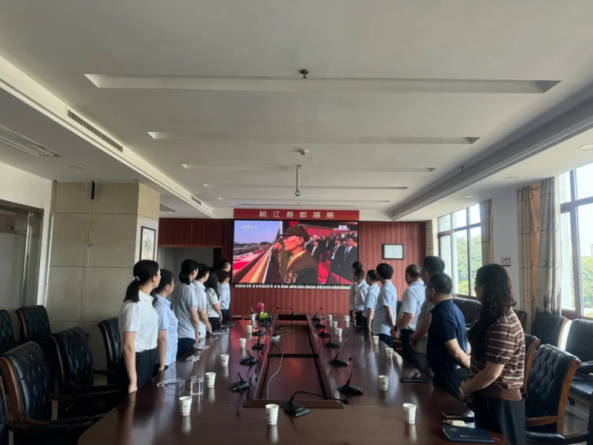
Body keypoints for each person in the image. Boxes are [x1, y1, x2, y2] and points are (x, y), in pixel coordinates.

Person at [460, 265, 526, 445]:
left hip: (499, 402)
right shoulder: (491, 314)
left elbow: (491, 373)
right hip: (486, 396)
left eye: (476, 284)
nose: (474, 288)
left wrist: (464, 389)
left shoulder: (503, 323)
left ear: (484, 288)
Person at [425, 272, 470, 399]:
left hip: (449, 376)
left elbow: (456, 352)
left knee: (446, 409)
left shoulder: (442, 315)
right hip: (452, 372)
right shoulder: (454, 308)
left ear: (432, 291)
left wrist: (473, 369)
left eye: (426, 287)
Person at [118, 260, 160, 395]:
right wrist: (133, 381)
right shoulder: (134, 306)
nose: (160, 277)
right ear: (153, 278)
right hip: (137, 360)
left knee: (146, 401)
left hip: (148, 357)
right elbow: (128, 345)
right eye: (159, 274)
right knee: (135, 403)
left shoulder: (146, 302)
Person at [411, 256, 446, 377]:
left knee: (427, 381)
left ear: (426, 272)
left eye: (421, 269)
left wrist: (412, 337)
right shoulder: (437, 290)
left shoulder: (434, 295)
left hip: (427, 348)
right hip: (426, 347)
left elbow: (426, 328)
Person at [171, 260, 209, 357]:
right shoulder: (188, 289)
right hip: (186, 333)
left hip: (176, 331)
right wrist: (196, 333)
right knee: (186, 363)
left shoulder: (177, 285)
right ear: (194, 272)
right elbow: (194, 317)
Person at [396, 265, 425, 368]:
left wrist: (396, 328)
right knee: (420, 363)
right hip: (423, 331)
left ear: (408, 275)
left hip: (410, 332)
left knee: (411, 364)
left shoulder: (411, 290)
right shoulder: (426, 287)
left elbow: (409, 315)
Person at [152, 269, 178, 373]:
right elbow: (161, 338)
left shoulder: (162, 305)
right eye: (173, 282)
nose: (174, 285)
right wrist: (162, 365)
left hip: (168, 357)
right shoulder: (161, 307)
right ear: (167, 287)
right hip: (163, 359)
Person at [371, 263, 398, 346]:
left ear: (379, 274)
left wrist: (394, 328)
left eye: (376, 272)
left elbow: (388, 311)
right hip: (382, 329)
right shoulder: (390, 287)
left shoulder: (386, 290)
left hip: (383, 330)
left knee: (381, 353)